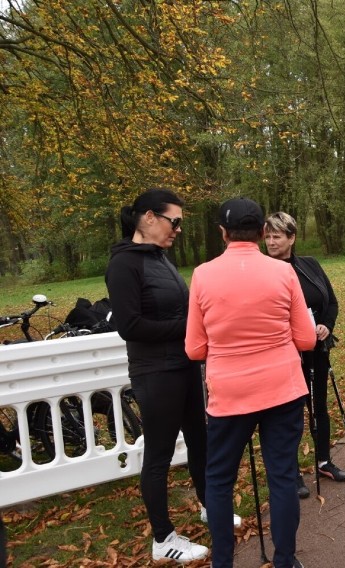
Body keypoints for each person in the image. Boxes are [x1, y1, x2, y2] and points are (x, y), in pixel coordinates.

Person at [106, 188, 240, 564]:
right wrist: (191, 327)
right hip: (155, 373)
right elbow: (131, 326)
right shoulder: (124, 264)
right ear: (148, 217)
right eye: (174, 221)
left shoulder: (159, 258)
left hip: (184, 366)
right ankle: (163, 539)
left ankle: (208, 506)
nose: (178, 229)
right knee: (160, 455)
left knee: (201, 440)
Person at [186, 198, 316, 568]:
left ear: (222, 233)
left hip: (230, 395)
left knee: (220, 479)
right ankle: (285, 559)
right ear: (262, 232)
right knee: (282, 475)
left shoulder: (202, 275)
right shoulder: (283, 273)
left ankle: (223, 561)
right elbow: (306, 339)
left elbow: (195, 348)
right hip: (283, 388)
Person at [264, 212, 345, 500]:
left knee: (319, 407)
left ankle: (324, 461)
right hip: (284, 354)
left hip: (317, 349)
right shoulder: (265, 271)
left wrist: (326, 325)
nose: (271, 241)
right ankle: (292, 473)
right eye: (268, 236)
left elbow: (331, 301)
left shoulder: (309, 265)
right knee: (289, 414)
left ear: (292, 237)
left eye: (277, 235)